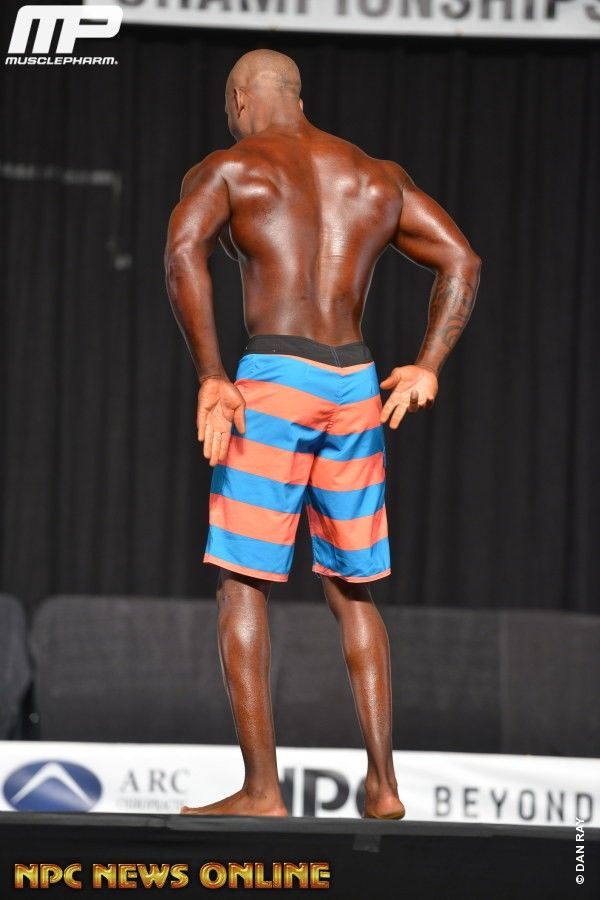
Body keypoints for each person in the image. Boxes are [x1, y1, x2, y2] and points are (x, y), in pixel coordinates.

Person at [164, 49, 481, 819]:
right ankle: (383, 784)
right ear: (298, 96)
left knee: (243, 581)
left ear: (241, 97)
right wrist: (427, 364)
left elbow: (181, 254)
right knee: (351, 587)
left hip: (276, 376)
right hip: (355, 385)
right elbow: (462, 261)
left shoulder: (231, 168)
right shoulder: (376, 175)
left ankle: (262, 790)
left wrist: (212, 373)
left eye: (230, 105)